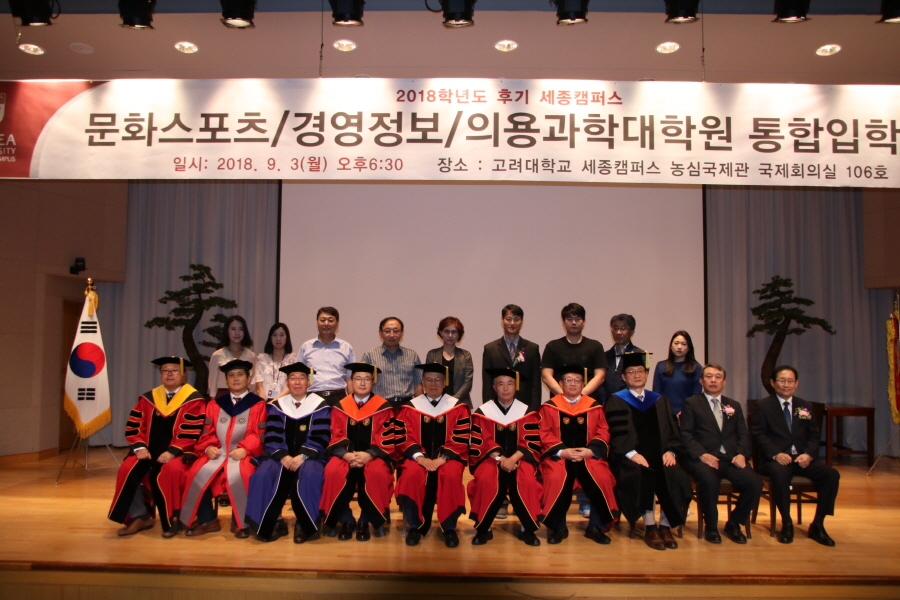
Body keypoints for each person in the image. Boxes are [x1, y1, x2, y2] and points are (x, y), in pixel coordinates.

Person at [108, 356, 206, 538]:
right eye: (165, 371)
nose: (169, 374)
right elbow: (135, 426)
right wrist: (139, 447)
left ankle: (173, 519)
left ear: (184, 375)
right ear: (160, 374)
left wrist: (172, 451)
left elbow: (192, 431)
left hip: (179, 452)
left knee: (169, 471)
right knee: (126, 469)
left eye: (174, 371)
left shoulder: (193, 400)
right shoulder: (148, 398)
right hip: (148, 451)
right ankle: (139, 517)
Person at [605, 352, 692, 551]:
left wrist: (670, 451)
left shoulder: (660, 400)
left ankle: (666, 526)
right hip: (629, 458)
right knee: (642, 474)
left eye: (640, 371)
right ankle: (650, 527)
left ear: (646, 374)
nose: (637, 375)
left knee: (675, 474)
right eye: (631, 372)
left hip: (661, 455)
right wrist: (632, 454)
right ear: (624, 377)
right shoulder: (616, 400)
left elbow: (673, 431)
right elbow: (616, 433)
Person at [751, 365, 840, 546]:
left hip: (801, 459)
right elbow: (758, 435)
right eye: (782, 380)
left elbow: (814, 435)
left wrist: (808, 455)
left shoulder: (805, 406)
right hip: (775, 460)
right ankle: (787, 523)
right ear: (773, 383)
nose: (786, 385)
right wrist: (776, 454)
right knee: (780, 474)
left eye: (790, 381)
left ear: (796, 383)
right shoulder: (763, 406)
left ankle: (818, 524)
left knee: (831, 474)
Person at [245, 362, 331, 543]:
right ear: (287, 382)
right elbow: (272, 434)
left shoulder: (320, 406)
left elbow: (321, 435)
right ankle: (272, 523)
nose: (297, 382)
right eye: (293, 378)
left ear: (308, 382)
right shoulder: (278, 406)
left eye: (301, 378)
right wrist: (283, 455)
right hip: (279, 456)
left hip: (309, 457)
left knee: (310, 475)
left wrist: (303, 456)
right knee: (262, 475)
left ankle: (304, 525)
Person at [181, 359, 266, 538]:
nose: (236, 379)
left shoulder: (258, 404)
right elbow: (207, 431)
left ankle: (240, 521)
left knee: (244, 473)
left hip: (242, 454)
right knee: (195, 471)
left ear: (249, 379)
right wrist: (208, 447)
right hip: (218, 452)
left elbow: (259, 433)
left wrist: (245, 449)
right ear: (226, 380)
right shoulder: (215, 404)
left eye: (240, 374)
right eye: (231, 375)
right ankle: (207, 519)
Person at [680, 363, 762, 544]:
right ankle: (711, 527)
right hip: (703, 459)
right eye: (709, 376)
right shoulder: (692, 404)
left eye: (718, 377)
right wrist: (702, 455)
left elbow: (743, 434)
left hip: (731, 459)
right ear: (701, 381)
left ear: (724, 382)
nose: (713, 380)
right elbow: (686, 434)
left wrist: (741, 454)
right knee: (709, 482)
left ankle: (734, 523)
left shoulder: (734, 405)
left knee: (755, 483)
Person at [539, 365, 618, 545]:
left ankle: (596, 527)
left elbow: (603, 431)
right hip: (560, 457)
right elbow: (544, 433)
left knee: (602, 477)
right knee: (555, 477)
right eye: (569, 380)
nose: (573, 384)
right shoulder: (549, 407)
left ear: (583, 384)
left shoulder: (594, 407)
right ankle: (558, 527)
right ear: (560, 384)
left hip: (589, 456)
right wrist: (562, 451)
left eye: (577, 380)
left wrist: (591, 450)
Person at [394, 363, 470, 548]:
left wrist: (441, 459)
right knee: (411, 474)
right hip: (418, 458)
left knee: (450, 474)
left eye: (437, 380)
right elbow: (404, 436)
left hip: (447, 458)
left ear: (445, 383)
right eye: (429, 379)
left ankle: (449, 527)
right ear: (422, 382)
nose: (433, 384)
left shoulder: (457, 407)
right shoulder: (410, 408)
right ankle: (415, 526)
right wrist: (420, 457)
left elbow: (461, 438)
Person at [319, 363, 395, 542]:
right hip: (345, 456)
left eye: (367, 379)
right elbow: (334, 434)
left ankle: (365, 520)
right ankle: (345, 519)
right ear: (351, 382)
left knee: (377, 472)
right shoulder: (340, 407)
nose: (362, 383)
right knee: (333, 471)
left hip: (373, 456)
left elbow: (387, 436)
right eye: (358, 379)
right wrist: (346, 455)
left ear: (373, 382)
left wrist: (369, 454)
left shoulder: (383, 407)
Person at [468, 367, 543, 546]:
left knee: (527, 481)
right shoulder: (483, 412)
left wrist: (513, 458)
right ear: (494, 387)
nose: (505, 388)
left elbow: (531, 440)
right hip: (492, 459)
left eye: (509, 383)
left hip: (520, 459)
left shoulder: (527, 412)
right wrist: (501, 459)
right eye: (500, 384)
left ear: (515, 387)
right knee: (486, 480)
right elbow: (481, 441)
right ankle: (484, 528)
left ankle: (527, 529)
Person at [540, 303, 607, 401]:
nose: (574, 322)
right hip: (559, 402)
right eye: (570, 319)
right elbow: (546, 376)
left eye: (578, 319)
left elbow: (600, 376)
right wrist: (564, 396)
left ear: (584, 321)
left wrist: (580, 396)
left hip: (588, 401)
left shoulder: (595, 346)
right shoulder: (552, 346)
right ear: (563, 322)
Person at [482, 304, 542, 411]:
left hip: (525, 407)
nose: (512, 323)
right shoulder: (490, 349)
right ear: (502, 321)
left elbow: (536, 385)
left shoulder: (532, 348)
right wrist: (488, 410)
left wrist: (534, 411)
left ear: (522, 321)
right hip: (497, 407)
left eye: (516, 319)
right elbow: (487, 384)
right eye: (509, 319)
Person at [361, 317, 423, 408]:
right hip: (380, 406)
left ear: (402, 333)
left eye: (396, 331)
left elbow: (418, 384)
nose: (392, 335)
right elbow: (363, 384)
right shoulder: (370, 355)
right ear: (380, 333)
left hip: (407, 406)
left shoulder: (412, 355)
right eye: (387, 331)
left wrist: (420, 407)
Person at [296, 307, 355, 402]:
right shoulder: (306, 347)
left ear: (337, 324)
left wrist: (352, 402)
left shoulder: (346, 347)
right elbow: (299, 376)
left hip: (339, 397)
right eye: (322, 320)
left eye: (330, 320)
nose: (326, 323)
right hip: (312, 397)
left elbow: (349, 378)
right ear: (317, 323)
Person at [425, 316, 474, 407]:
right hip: (436, 404)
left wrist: (452, 401)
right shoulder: (432, 354)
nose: (450, 335)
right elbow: (428, 379)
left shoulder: (465, 355)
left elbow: (467, 383)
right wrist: (440, 401)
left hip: (460, 404)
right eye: (447, 331)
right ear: (441, 333)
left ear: (459, 335)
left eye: (454, 332)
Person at [652, 330, 702, 417]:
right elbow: (656, 393)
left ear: (689, 348)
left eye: (684, 344)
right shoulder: (661, 366)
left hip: (687, 414)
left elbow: (696, 396)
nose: (679, 347)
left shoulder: (696, 368)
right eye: (676, 343)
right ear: (671, 346)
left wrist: (685, 412)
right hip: (665, 414)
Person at [207, 315, 257, 398]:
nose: (237, 333)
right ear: (227, 331)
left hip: (245, 397)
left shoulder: (251, 356)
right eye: (233, 329)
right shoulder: (217, 355)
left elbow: (253, 382)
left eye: (241, 329)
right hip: (223, 397)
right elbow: (212, 383)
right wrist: (213, 399)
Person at [601, 314, 643, 401]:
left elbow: (637, 383)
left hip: (629, 403)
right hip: (606, 403)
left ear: (632, 332)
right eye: (615, 328)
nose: (618, 332)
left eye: (623, 328)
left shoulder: (639, 354)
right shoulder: (604, 356)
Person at [252, 322, 296, 401]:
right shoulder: (261, 359)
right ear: (270, 338)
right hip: (264, 402)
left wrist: (273, 402)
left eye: (281, 335)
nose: (278, 339)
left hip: (285, 402)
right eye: (275, 335)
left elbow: (291, 387)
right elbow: (259, 387)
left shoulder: (293, 360)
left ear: (287, 337)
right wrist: (264, 404)